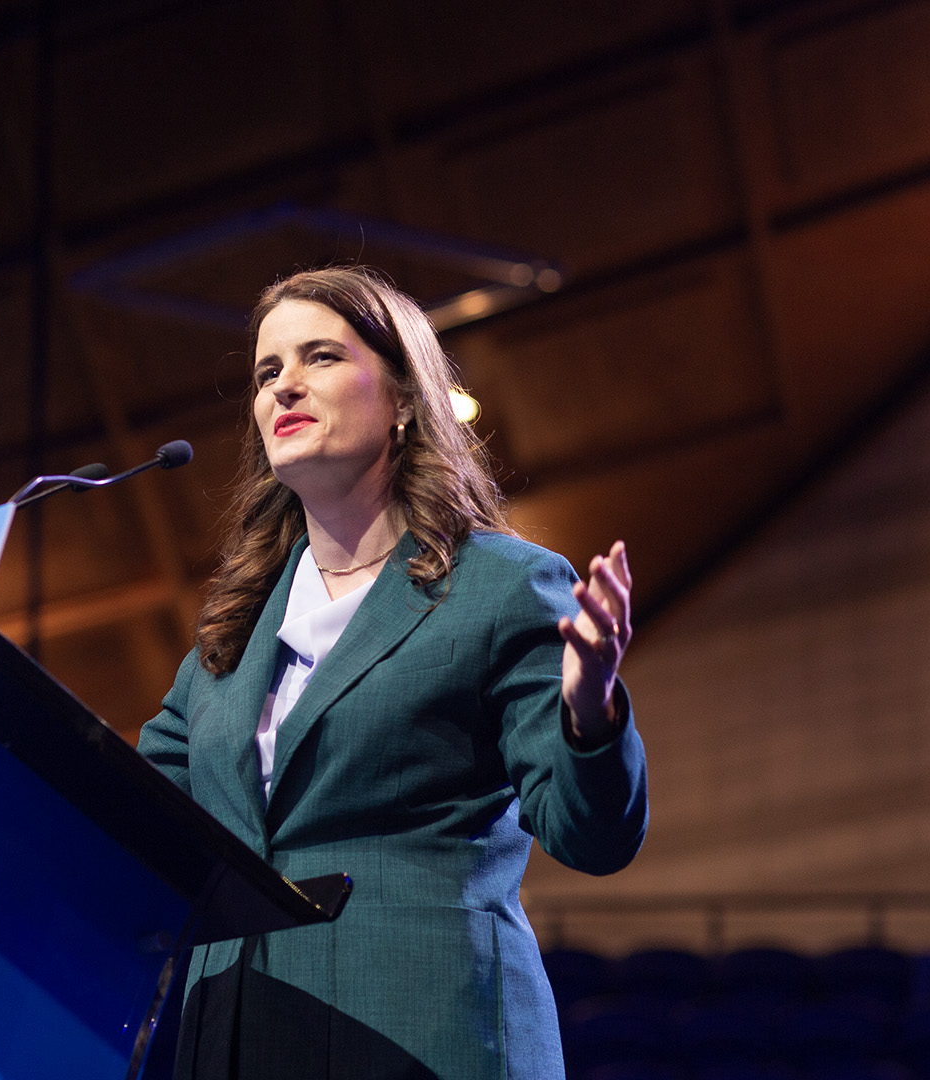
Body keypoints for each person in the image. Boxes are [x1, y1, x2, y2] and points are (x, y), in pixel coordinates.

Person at [138, 266, 648, 1080]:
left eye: (320, 358)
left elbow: (591, 836)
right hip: (238, 1040)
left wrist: (589, 712)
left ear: (406, 399)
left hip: (425, 1028)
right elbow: (133, 815)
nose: (283, 387)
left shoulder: (501, 586)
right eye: (267, 372)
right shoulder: (229, 638)